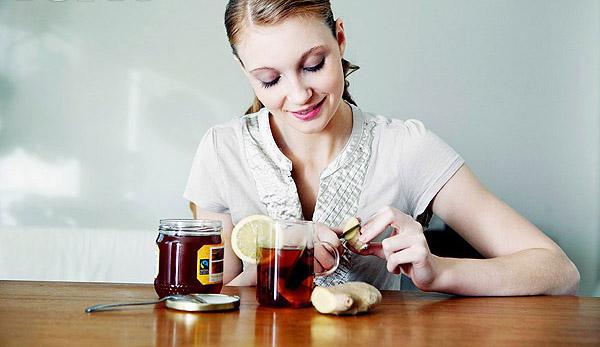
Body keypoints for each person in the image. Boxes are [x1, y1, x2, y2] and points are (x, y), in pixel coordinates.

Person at [184, 0, 580, 295]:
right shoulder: (222, 150)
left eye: (314, 65)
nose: (299, 94)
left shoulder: (407, 148)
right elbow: (210, 298)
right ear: (246, 73)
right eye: (270, 79)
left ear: (339, 39)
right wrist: (286, 254)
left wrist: (438, 271)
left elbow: (559, 271)